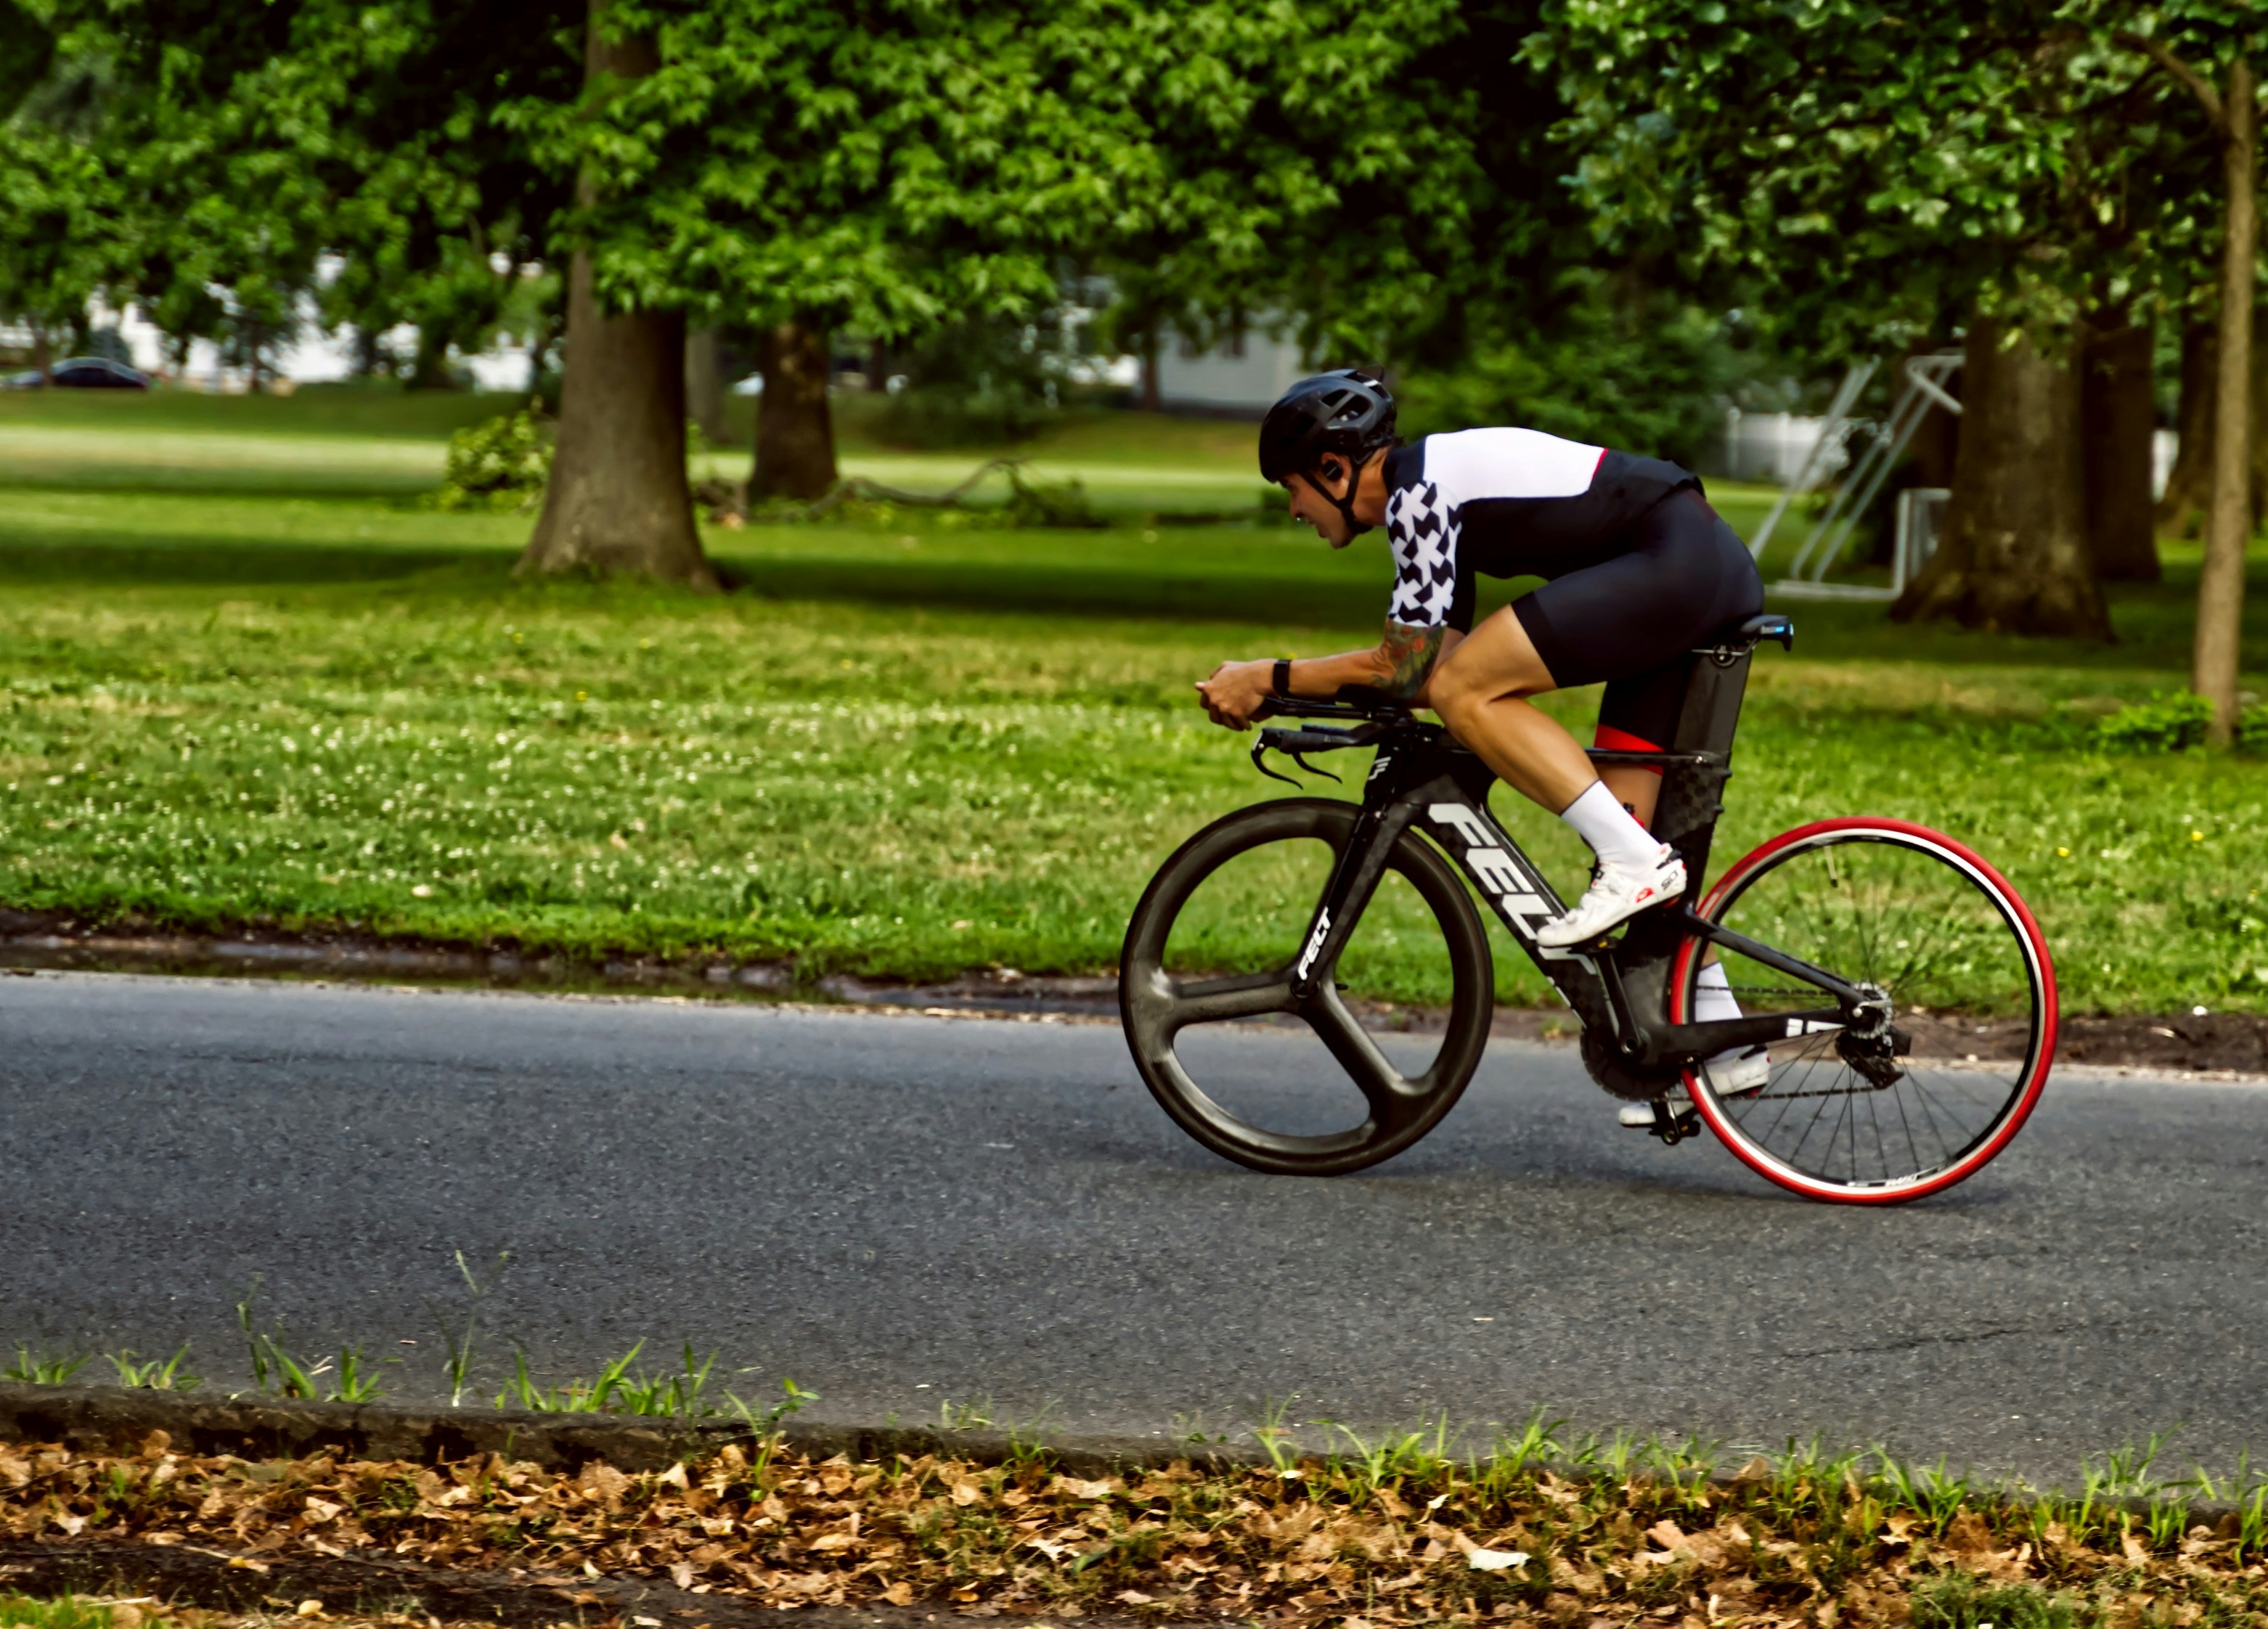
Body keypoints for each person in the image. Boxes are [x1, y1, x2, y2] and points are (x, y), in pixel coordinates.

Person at [1194, 369, 1767, 1119]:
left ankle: (1637, 865)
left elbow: (1417, 674)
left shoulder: (1418, 491)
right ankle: (1719, 1046)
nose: (1294, 508)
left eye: (1291, 488)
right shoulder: (1429, 499)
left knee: (1472, 692)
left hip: (1674, 565)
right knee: (1621, 823)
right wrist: (1289, 683)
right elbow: (1413, 670)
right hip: (1681, 564)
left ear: (1334, 470)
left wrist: (1264, 675)